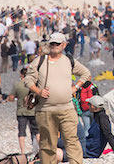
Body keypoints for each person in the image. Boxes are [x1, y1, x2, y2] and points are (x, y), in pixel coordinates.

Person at [24, 32, 92, 164]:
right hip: (45, 109)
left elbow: (86, 73)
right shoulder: (40, 61)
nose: (54, 46)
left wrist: (76, 87)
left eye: (57, 43)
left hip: (67, 108)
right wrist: (38, 91)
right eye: (52, 43)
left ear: (64, 45)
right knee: (47, 144)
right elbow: (28, 79)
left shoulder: (69, 61)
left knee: (72, 140)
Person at [8, 67, 39, 155]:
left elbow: (11, 97)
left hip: (21, 111)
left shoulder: (17, 84)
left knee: (21, 132)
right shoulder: (33, 85)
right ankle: (40, 150)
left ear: (21, 75)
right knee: (37, 131)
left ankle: (22, 152)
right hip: (33, 111)